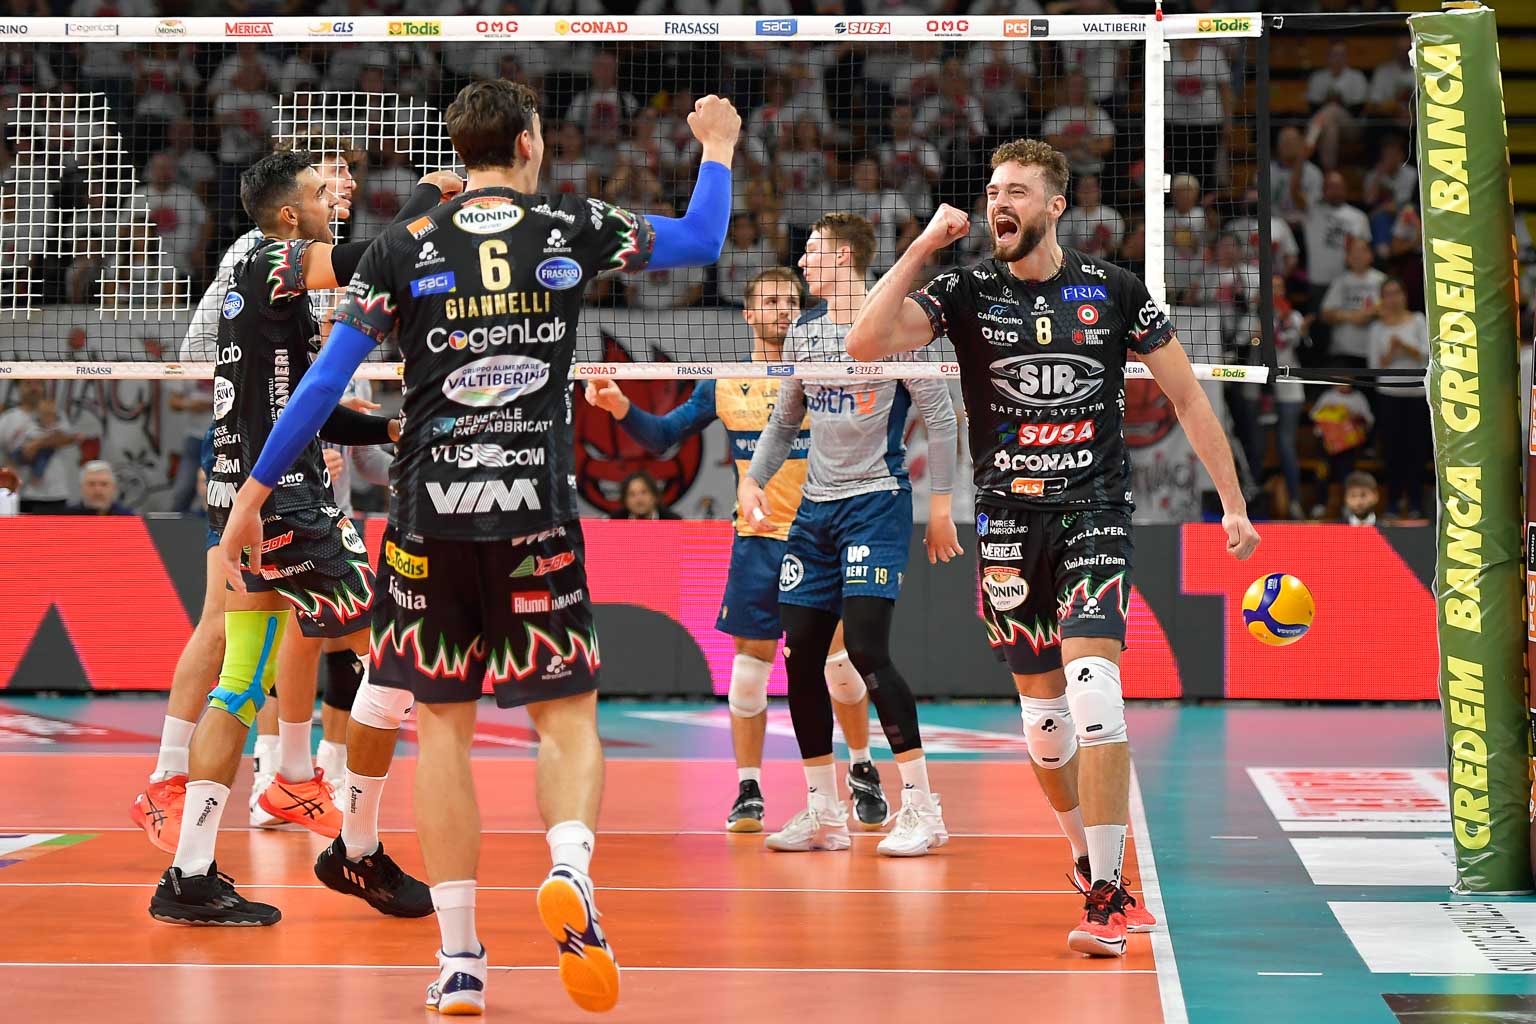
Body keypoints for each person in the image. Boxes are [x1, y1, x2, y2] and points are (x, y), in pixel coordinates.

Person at [217, 79, 741, 1014]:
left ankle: (460, 960)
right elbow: (703, 240)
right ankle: (569, 869)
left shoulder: (400, 245)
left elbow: (321, 384)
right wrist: (718, 147)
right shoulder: (572, 225)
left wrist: (250, 498)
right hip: (534, 512)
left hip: (428, 516)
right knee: (565, 718)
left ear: (461, 154)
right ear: (530, 144)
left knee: (444, 734)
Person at [844, 138, 1260, 956]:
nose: (999, 203)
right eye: (993, 191)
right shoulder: (965, 290)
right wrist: (923, 245)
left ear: (1056, 205)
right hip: (1007, 522)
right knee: (1042, 721)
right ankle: (1086, 861)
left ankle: (1107, 894)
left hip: (1092, 510)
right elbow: (864, 343)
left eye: (1017, 192)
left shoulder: (1115, 290)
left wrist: (1235, 504)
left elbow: (1185, 395)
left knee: (1095, 690)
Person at [145, 149, 455, 926]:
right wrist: (433, 192)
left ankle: (190, 873)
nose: (332, 200)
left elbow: (304, 407)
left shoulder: (265, 286)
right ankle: (354, 847)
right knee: (394, 646)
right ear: (290, 215)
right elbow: (382, 256)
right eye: (320, 191)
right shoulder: (271, 262)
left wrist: (383, 427)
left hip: (248, 496)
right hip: (283, 502)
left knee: (240, 683)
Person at [584, 267, 888, 834]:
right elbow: (663, 437)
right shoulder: (725, 381)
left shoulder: (825, 373)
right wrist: (621, 407)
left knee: (840, 667)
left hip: (821, 537)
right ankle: (749, 788)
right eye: (769, 301)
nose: (782, 309)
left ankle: (862, 767)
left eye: (791, 300)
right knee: (748, 676)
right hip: (757, 543)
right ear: (748, 314)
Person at [738, 212, 962, 858]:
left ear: (843, 258)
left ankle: (923, 808)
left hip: (875, 503)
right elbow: (785, 421)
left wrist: (940, 507)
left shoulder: (894, 330)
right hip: (814, 513)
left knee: (864, 650)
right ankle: (822, 813)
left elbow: (941, 418)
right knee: (800, 656)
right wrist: (753, 481)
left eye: (812, 252)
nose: (802, 262)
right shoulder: (805, 334)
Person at [64, 460, 134, 515]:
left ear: (114, 488)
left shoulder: (127, 518)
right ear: (81, 488)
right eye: (91, 484)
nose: (98, 490)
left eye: (104, 484)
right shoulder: (67, 518)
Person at [609, 471, 682, 520]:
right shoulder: (615, 521)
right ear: (625, 501)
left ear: (654, 496)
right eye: (632, 494)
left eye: (644, 492)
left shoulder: (673, 522)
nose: (639, 499)